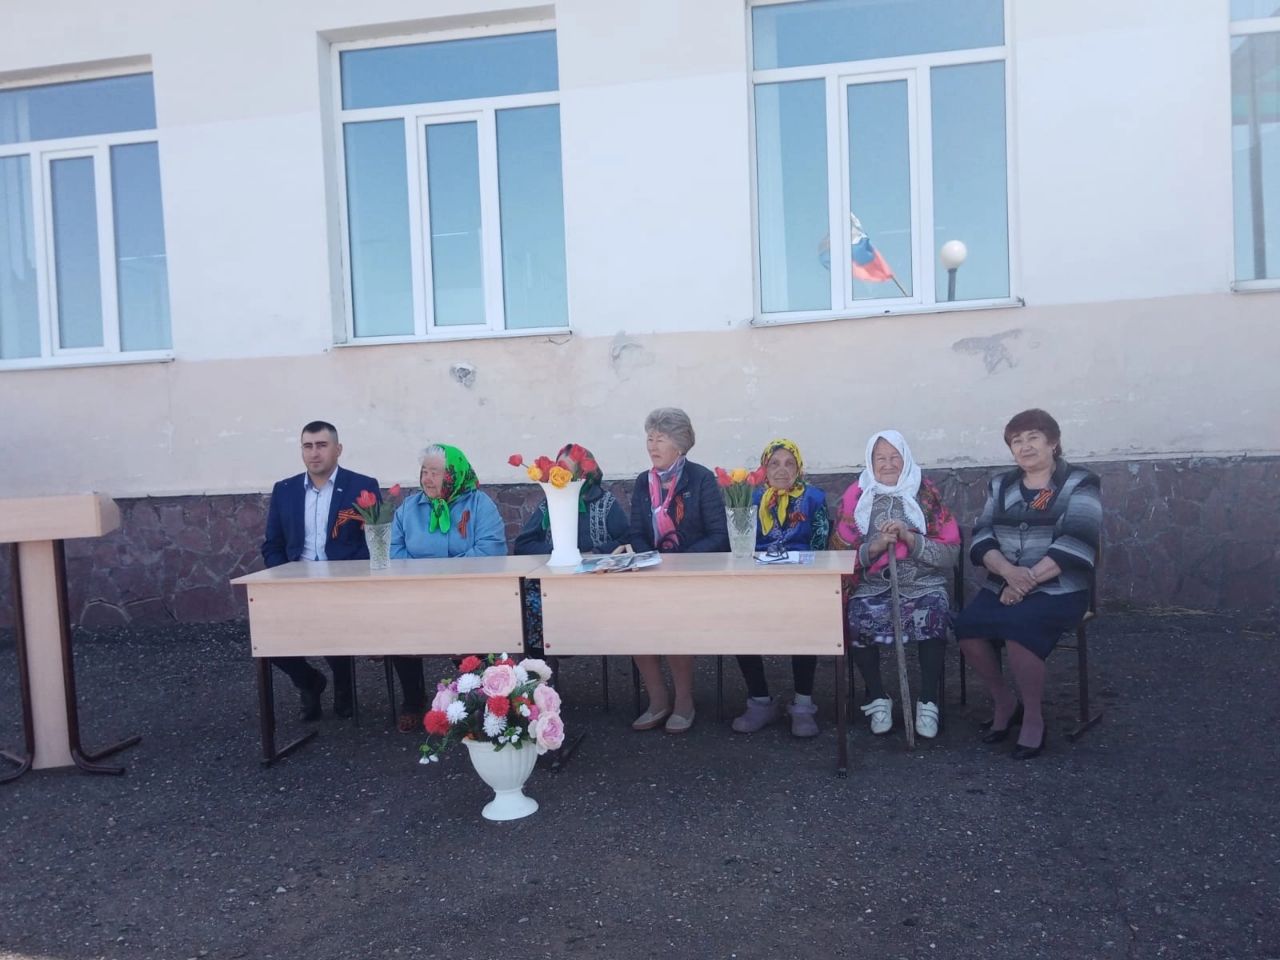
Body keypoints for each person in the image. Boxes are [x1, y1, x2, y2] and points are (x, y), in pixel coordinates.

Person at [954, 409, 1101, 760]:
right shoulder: (1000, 485)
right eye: (1017, 441)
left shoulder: (1080, 482)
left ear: (1053, 442)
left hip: (1060, 587)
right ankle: (1005, 702)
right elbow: (982, 536)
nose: (1025, 446)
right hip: (1003, 583)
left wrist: (1023, 582)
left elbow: (1077, 541)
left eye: (1034, 437)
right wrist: (1008, 573)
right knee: (967, 627)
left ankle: (1034, 717)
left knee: (1020, 626)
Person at [829, 430, 960, 739]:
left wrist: (910, 539)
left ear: (906, 459)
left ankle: (928, 701)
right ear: (870, 462)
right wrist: (873, 548)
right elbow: (839, 555)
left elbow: (950, 553)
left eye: (894, 457)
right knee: (857, 615)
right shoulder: (855, 496)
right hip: (874, 585)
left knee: (933, 611)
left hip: (921, 583)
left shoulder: (925, 494)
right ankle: (878, 697)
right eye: (880, 458)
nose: (888, 464)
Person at [261, 420, 380, 721]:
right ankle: (309, 681)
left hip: (343, 582)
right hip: (294, 581)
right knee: (265, 635)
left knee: (331, 626)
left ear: (338, 449)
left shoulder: (362, 486)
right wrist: (282, 575)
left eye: (322, 445)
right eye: (308, 446)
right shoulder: (285, 490)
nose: (314, 453)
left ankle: (344, 687)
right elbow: (273, 544)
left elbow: (374, 543)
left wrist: (349, 575)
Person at [389, 444, 506, 731]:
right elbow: (394, 553)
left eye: (435, 473)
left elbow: (490, 552)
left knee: (466, 628)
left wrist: (440, 574)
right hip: (417, 596)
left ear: (454, 475)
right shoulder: (409, 508)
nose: (427, 479)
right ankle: (413, 699)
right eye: (424, 472)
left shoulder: (480, 504)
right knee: (396, 624)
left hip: (469, 595)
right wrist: (427, 580)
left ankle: (479, 697)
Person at [626, 407, 729, 734]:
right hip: (652, 572)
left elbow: (719, 536)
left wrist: (678, 561)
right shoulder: (643, 482)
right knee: (634, 623)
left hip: (692, 575)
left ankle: (684, 701)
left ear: (680, 444)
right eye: (650, 438)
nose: (652, 445)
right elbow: (636, 532)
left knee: (672, 621)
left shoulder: (701, 479)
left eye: (661, 438)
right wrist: (650, 558)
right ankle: (658, 700)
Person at [731, 438, 830, 737]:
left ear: (799, 468)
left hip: (802, 580)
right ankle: (760, 701)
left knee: (805, 625)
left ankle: (803, 705)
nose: (782, 470)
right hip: (758, 580)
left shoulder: (814, 498)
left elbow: (821, 546)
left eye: (789, 463)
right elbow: (740, 543)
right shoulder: (750, 498)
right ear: (764, 469)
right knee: (740, 622)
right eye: (774, 464)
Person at [514, 443, 630, 654]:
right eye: (557, 469)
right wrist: (558, 552)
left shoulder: (606, 503)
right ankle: (541, 666)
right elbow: (523, 545)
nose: (560, 474)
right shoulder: (550, 502)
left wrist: (595, 553)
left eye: (567, 470)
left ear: (584, 474)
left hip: (597, 581)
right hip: (554, 583)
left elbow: (627, 539)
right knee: (530, 601)